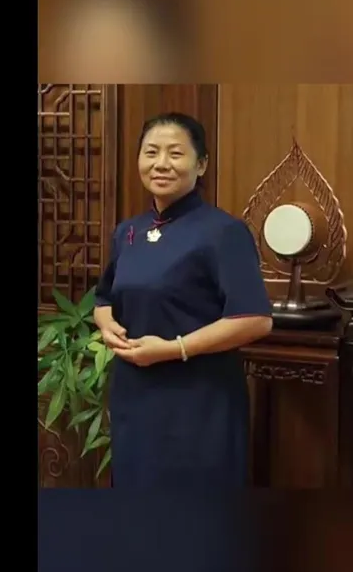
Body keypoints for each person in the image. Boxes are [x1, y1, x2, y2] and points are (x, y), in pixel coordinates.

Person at [94, 112, 273, 488]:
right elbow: (105, 299)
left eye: (175, 153)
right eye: (151, 152)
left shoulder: (224, 232)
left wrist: (174, 348)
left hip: (197, 401)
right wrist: (107, 326)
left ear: (201, 164)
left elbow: (254, 319)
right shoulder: (128, 232)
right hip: (134, 397)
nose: (161, 164)